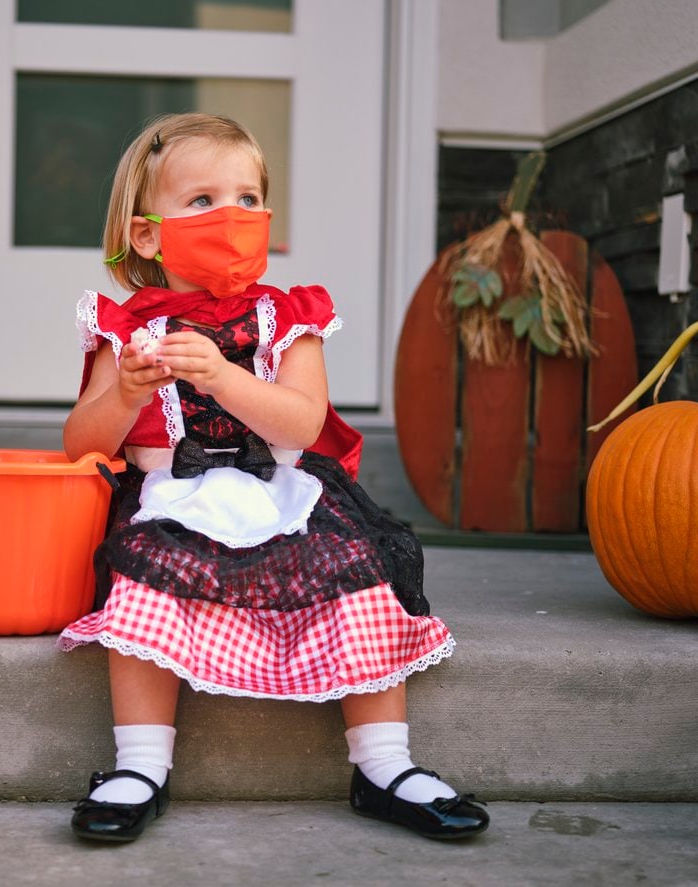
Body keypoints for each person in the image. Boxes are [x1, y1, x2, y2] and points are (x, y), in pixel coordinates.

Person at [59, 112, 487, 843]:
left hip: (281, 490)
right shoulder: (125, 329)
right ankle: (139, 764)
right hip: (168, 498)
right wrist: (125, 394)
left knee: (358, 579)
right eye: (201, 201)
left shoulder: (289, 317)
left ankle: (385, 764)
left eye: (249, 197)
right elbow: (79, 443)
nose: (232, 215)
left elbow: (300, 421)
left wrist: (224, 376)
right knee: (141, 589)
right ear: (147, 234)